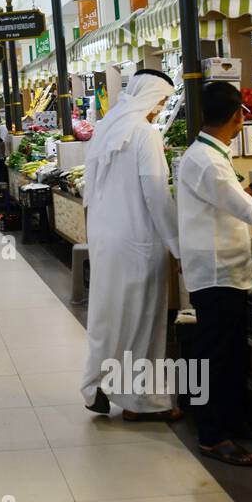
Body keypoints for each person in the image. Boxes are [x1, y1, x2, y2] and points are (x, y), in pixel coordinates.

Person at [177, 81, 252, 468]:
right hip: (217, 272)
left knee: (231, 354)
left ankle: (233, 421)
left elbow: (232, 198)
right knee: (218, 356)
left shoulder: (206, 155)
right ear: (238, 117)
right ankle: (213, 436)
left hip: (224, 269)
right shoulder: (209, 162)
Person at [79, 69, 181, 421]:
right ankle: (141, 402)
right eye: (162, 101)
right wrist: (177, 243)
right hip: (138, 240)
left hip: (106, 238)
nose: (160, 108)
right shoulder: (144, 134)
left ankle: (96, 385)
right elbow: (156, 193)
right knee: (141, 319)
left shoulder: (108, 128)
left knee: (109, 315)